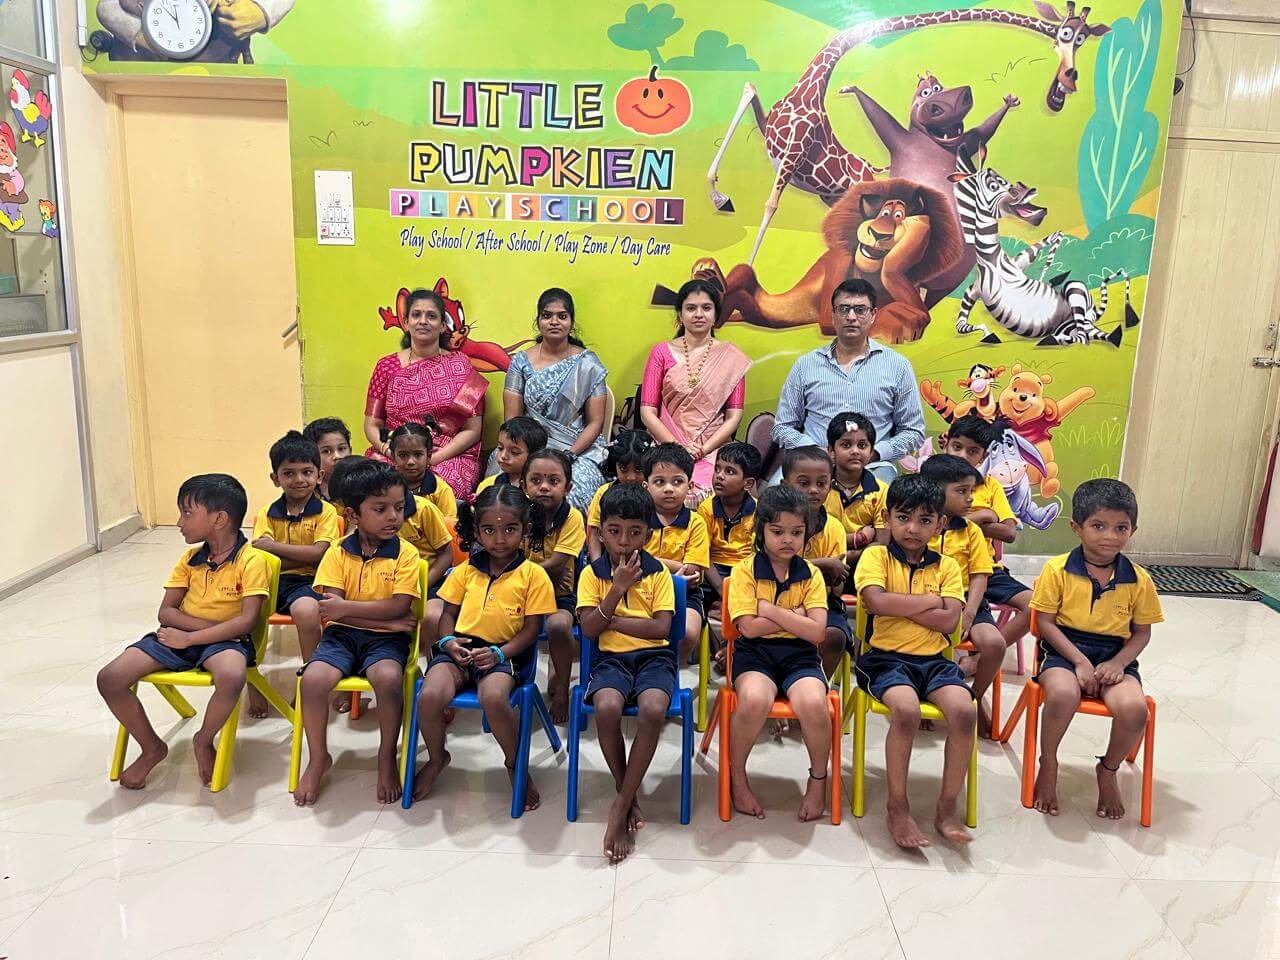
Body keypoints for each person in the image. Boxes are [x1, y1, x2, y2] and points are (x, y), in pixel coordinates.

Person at [97, 474, 269, 789]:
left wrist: (191, 636)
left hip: (223, 644)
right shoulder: (190, 559)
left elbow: (246, 622)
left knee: (232, 676)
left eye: (187, 513)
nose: (179, 522)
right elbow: (166, 612)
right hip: (186, 637)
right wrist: (202, 633)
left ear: (219, 519)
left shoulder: (252, 561)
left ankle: (203, 740)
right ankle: (152, 747)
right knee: (110, 678)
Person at [412, 485, 557, 810]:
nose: (499, 538)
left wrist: (500, 653)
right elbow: (447, 615)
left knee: (493, 697)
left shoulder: (533, 575)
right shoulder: (465, 571)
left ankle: (514, 763)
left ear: (525, 529)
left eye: (510, 529)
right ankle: (437, 757)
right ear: (476, 531)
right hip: (459, 650)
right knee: (429, 695)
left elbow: (533, 629)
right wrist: (448, 642)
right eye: (489, 530)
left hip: (507, 653)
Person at [854, 474, 975, 849]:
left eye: (925, 520)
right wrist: (930, 602)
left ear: (940, 524)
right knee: (905, 711)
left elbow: (950, 621)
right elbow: (875, 602)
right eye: (903, 517)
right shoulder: (875, 556)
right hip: (885, 660)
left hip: (935, 662)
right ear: (887, 518)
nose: (912, 528)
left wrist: (900, 605)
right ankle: (898, 806)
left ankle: (947, 807)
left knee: (965, 712)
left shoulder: (948, 566)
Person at [1030, 479, 1162, 822]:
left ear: (1133, 530)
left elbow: (1142, 633)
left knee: (1134, 710)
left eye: (1121, 528)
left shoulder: (1140, 580)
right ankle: (1048, 761)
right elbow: (1045, 623)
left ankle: (1108, 769)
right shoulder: (1057, 569)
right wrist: (1078, 661)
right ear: (1077, 527)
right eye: (1099, 526)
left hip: (1115, 655)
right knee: (1063, 694)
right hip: (1063, 650)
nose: (1110, 536)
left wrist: (1118, 663)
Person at [292, 460, 422, 807]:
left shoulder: (406, 554)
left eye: (399, 507)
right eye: (380, 509)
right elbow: (330, 610)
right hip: (342, 637)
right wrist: (387, 620)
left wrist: (365, 615)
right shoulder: (337, 552)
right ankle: (318, 757)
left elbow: (397, 606)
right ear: (353, 514)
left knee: (388, 678)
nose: (393, 516)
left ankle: (386, 755)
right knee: (312, 680)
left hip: (386, 642)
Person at [578, 483, 678, 862]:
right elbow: (589, 630)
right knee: (606, 708)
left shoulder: (658, 573)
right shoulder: (592, 574)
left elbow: (660, 629)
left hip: (655, 659)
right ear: (601, 532)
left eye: (635, 532)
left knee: (653, 709)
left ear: (648, 535)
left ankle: (619, 805)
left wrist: (611, 619)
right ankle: (628, 794)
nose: (623, 541)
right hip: (611, 661)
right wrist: (616, 590)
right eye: (614, 530)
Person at [725, 484, 832, 821]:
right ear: (761, 530)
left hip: (801, 656)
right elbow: (748, 628)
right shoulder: (745, 571)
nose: (788, 540)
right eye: (777, 531)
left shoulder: (812, 574)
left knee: (814, 704)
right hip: (754, 655)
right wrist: (796, 616)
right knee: (754, 700)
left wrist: (770, 610)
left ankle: (818, 780)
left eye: (796, 532)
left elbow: (817, 632)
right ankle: (737, 776)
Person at [773, 279, 925, 482]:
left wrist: (875, 453)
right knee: (773, 495)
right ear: (833, 314)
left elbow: (913, 431)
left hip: (874, 466)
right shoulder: (806, 365)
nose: (851, 317)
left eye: (860, 310)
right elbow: (782, 427)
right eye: (844, 309)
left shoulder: (898, 366)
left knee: (889, 499)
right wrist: (814, 450)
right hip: (812, 465)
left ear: (873, 315)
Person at [248, 431, 341, 718]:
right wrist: (300, 554)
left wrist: (276, 550)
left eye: (306, 472)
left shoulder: (326, 512)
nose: (299, 479)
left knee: (306, 611)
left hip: (310, 582)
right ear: (275, 478)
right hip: (272, 580)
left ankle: (310, 684)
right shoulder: (267, 512)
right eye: (289, 473)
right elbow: (261, 557)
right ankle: (253, 683)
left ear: (319, 476)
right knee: (244, 611)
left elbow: (320, 555)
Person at [364, 288, 487, 500]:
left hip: (446, 456)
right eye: (416, 315)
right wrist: (390, 452)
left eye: (431, 316)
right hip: (394, 453)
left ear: (443, 325)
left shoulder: (461, 366)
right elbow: (372, 424)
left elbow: (472, 430)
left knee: (439, 492)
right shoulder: (386, 366)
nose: (423, 321)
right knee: (373, 488)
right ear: (406, 322)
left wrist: (433, 458)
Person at [640, 279, 752, 504]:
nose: (699, 314)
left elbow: (734, 417)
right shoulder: (661, 352)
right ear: (680, 315)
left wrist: (703, 450)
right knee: (663, 486)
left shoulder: (732, 358)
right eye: (691, 308)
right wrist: (677, 447)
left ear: (716, 314)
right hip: (666, 444)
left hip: (714, 448)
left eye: (706, 308)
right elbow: (647, 412)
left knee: (718, 489)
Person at [498, 288, 610, 512]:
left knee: (574, 493)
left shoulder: (588, 364)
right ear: (538, 321)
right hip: (526, 447)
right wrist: (528, 453)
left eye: (562, 316)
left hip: (577, 450)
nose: (554, 322)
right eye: (547, 315)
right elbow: (513, 421)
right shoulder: (521, 361)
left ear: (571, 321)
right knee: (501, 492)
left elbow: (596, 423)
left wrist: (569, 455)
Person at [919, 455, 1003, 737]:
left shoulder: (972, 531)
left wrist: (969, 613)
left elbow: (980, 575)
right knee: (923, 641)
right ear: (935, 490)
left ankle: (973, 698)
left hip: (968, 601)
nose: (970, 498)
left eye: (971, 490)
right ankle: (924, 694)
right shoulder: (920, 528)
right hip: (926, 602)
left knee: (994, 644)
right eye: (962, 491)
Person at [942, 415, 1031, 652]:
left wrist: (958, 521)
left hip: (986, 569)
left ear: (982, 456)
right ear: (945, 444)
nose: (962, 456)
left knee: (1035, 606)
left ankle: (978, 660)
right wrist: (983, 515)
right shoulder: (930, 482)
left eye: (972, 451)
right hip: (939, 567)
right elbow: (932, 525)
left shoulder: (990, 486)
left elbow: (1009, 532)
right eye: (957, 447)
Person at [522, 448, 586, 724]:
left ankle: (562, 687)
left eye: (553, 481)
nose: (544, 487)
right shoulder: (519, 514)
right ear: (523, 484)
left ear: (567, 487)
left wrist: (523, 571)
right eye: (535, 480)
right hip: (520, 594)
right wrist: (531, 575)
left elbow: (559, 564)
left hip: (561, 595)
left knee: (559, 625)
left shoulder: (572, 518)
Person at [780, 446, 853, 677]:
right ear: (785, 485)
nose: (813, 490)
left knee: (834, 636)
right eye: (804, 483)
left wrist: (798, 567)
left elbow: (837, 586)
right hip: (776, 598)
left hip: (822, 602)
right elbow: (773, 571)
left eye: (821, 483)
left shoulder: (835, 528)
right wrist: (823, 565)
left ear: (830, 486)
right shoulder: (773, 523)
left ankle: (819, 686)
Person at [642, 443, 710, 662]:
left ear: (690, 486)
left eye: (677, 481)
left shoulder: (696, 523)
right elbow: (630, 561)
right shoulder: (639, 519)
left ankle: (672, 670)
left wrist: (649, 561)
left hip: (685, 594)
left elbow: (691, 573)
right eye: (659, 482)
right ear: (646, 486)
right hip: (642, 590)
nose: (669, 488)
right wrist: (673, 569)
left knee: (687, 633)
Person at [697, 440, 762, 620]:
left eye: (730, 471)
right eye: (717, 469)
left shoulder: (759, 511)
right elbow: (703, 555)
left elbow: (756, 556)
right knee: (697, 591)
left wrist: (734, 589)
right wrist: (722, 590)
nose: (719, 476)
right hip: (713, 570)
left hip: (744, 570)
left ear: (748, 484)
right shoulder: (706, 509)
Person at [825, 412, 887, 568]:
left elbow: (882, 545)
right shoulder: (820, 487)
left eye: (862, 445)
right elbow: (812, 537)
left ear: (871, 452)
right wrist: (857, 539)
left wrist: (847, 557)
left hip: (865, 566)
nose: (855, 451)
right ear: (831, 451)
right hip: (821, 563)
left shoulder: (881, 491)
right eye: (846, 445)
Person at [587, 428, 652, 560]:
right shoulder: (604, 492)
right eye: (623, 469)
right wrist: (597, 566)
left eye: (639, 470)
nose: (631, 477)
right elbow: (594, 533)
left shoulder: (653, 493)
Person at [389, 419, 458, 521]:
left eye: (418, 455)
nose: (410, 462)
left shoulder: (441, 491)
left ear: (428, 456)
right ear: (393, 457)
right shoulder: (385, 487)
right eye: (403, 455)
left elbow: (449, 526)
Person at [477, 416, 548, 496]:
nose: (503, 456)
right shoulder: (488, 485)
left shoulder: (542, 492)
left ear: (534, 456)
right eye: (500, 448)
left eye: (514, 452)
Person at [303, 417, 351, 503]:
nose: (337, 456)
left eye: (341, 449)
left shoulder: (361, 485)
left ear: (350, 450)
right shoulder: (305, 491)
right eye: (327, 451)